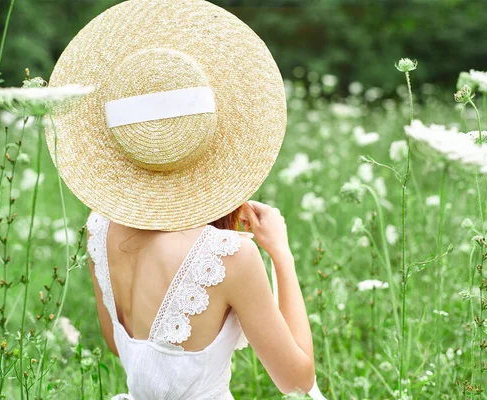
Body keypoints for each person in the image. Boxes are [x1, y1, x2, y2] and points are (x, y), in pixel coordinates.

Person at [45, 0, 326, 398]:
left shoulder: (100, 226)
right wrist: (281, 253)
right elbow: (297, 382)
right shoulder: (227, 255)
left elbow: (118, 346)